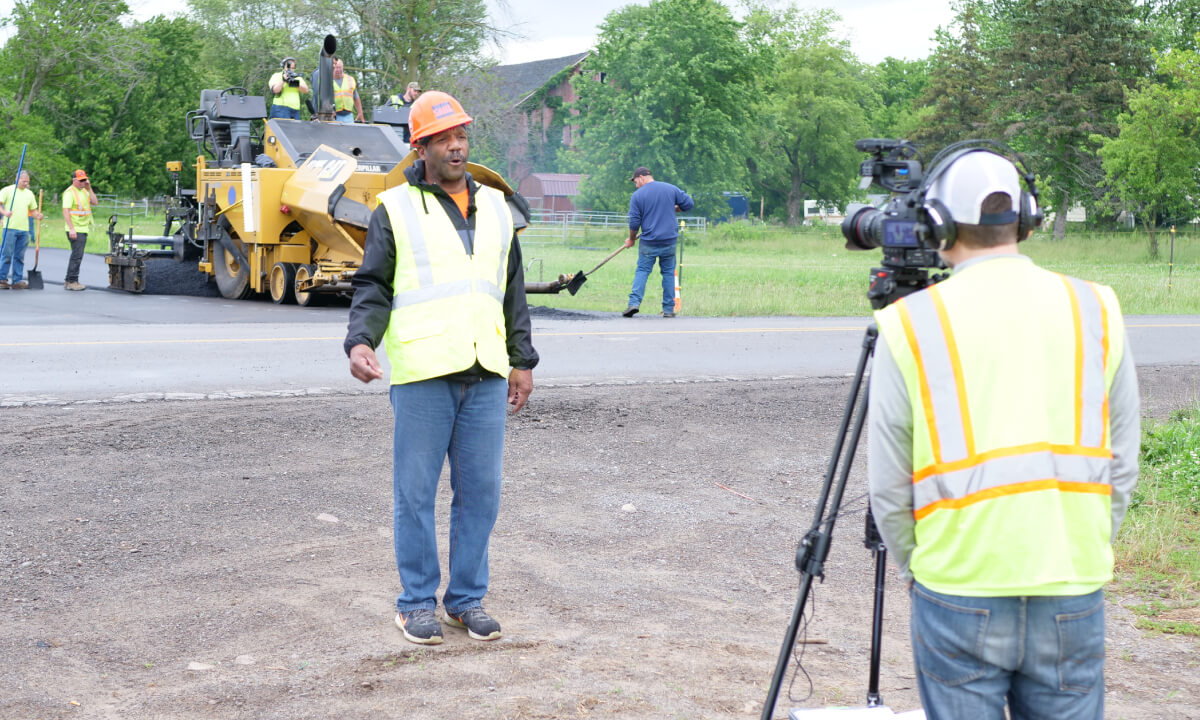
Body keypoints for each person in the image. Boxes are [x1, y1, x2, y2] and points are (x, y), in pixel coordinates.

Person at [866, 149, 1140, 719]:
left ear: (936, 222)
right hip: (1071, 582)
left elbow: (889, 488)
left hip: (958, 590)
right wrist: (1080, 545)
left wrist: (923, 565)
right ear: (1027, 215)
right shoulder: (1096, 306)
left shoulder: (911, 323)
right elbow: (1123, 462)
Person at [344, 90, 538, 646]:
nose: (456, 146)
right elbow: (373, 286)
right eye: (442, 139)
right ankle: (415, 604)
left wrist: (522, 361)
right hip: (424, 372)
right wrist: (361, 341)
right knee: (416, 492)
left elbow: (512, 292)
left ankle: (465, 600)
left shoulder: (499, 209)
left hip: (486, 371)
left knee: (481, 493)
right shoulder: (396, 209)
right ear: (420, 147)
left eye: (461, 136)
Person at [622, 166, 693, 318]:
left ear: (641, 177)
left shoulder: (637, 195)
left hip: (649, 242)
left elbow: (634, 223)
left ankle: (634, 304)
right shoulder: (670, 189)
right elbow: (688, 204)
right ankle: (668, 309)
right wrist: (674, 208)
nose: (635, 185)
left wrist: (631, 239)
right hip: (669, 241)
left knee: (642, 271)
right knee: (668, 273)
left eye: (635, 181)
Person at [0, 171, 43, 289]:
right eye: (24, 181)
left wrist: (38, 215)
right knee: (6, 254)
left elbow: (33, 210)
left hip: (24, 229)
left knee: (20, 256)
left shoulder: (29, 194)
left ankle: (17, 280)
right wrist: (4, 212)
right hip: (10, 228)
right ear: (17, 179)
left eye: (27, 182)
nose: (26, 184)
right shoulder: (7, 190)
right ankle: (1, 279)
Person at [61, 169, 98, 291]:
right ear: (74, 180)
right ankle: (72, 281)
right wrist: (72, 229)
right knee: (77, 256)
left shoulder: (85, 191)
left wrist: (89, 187)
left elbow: (95, 202)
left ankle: (68, 280)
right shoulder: (69, 192)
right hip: (75, 228)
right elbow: (66, 211)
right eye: (81, 180)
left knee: (76, 255)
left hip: (83, 227)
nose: (83, 182)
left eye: (85, 180)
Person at [331, 57, 364, 124]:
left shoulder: (350, 79)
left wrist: (360, 113)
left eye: (339, 67)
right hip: (334, 116)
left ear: (342, 67)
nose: (338, 70)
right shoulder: (328, 80)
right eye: (336, 67)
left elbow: (356, 97)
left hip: (348, 116)